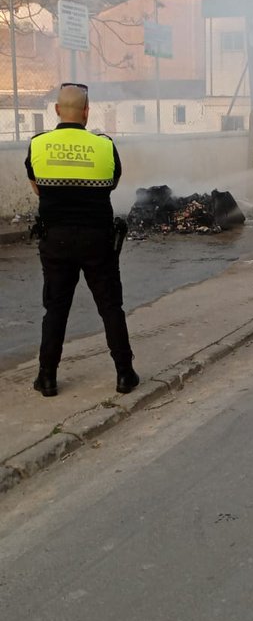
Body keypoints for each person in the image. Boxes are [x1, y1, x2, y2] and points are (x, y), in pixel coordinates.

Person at [25, 83, 138, 397]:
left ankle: (47, 377)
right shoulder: (104, 145)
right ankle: (125, 375)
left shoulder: (38, 144)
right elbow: (111, 184)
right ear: (87, 112)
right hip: (97, 240)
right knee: (111, 307)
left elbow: (37, 187)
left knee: (56, 310)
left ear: (58, 110)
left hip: (56, 240)